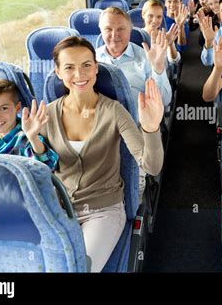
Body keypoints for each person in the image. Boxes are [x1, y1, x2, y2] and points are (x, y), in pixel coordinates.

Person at [41, 36, 164, 272]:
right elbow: (40, 170)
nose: (79, 74)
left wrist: (151, 128)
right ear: (58, 72)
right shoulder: (45, 116)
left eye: (87, 64)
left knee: (79, 269)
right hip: (59, 211)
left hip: (103, 211)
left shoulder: (115, 111)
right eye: (69, 67)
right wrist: (33, 139)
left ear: (97, 68)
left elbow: (151, 166)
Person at [96, 6, 172, 109]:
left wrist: (157, 68)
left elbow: (165, 100)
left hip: (138, 122)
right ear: (101, 30)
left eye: (121, 29)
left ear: (130, 30)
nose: (114, 34)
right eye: (108, 29)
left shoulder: (146, 58)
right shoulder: (92, 59)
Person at [0, 78, 58, 170]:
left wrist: (33, 137)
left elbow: (47, 167)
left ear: (17, 107)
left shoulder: (25, 137)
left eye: (4, 108)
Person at [141, 0, 181, 65]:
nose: (154, 20)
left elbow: (174, 60)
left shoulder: (165, 36)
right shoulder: (136, 35)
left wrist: (170, 44)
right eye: (150, 16)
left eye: (159, 17)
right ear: (143, 15)